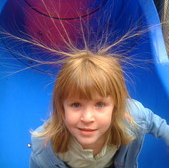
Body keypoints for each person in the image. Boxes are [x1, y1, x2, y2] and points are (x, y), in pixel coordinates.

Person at [29, 49, 169, 168]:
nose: (87, 118)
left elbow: (157, 124)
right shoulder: (45, 147)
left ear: (116, 106)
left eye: (100, 105)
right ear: (61, 107)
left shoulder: (133, 116)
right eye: (76, 105)